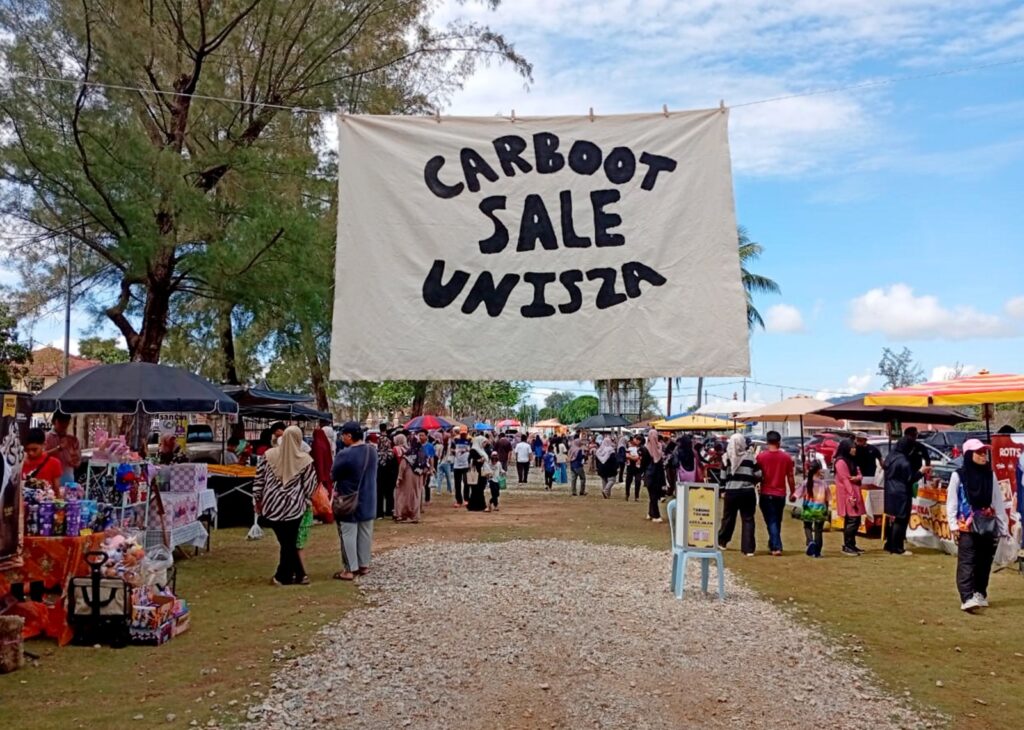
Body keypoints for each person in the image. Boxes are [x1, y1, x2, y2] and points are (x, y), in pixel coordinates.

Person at [253, 425, 318, 586]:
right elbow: (310, 487)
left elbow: (259, 480)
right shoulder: (305, 460)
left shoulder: (268, 456)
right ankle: (292, 575)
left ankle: (286, 576)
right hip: (294, 508)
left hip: (272, 506)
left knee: (286, 542)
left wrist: (257, 500)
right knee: (289, 542)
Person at [947, 440, 1007, 612]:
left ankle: (980, 592)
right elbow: (951, 502)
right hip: (966, 525)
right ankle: (966, 597)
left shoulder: (990, 475)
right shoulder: (958, 476)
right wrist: (953, 525)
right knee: (967, 561)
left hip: (987, 524)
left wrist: (1003, 528)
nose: (983, 456)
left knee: (984, 562)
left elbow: (997, 501)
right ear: (968, 455)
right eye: (978, 452)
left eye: (984, 452)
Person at [331, 422, 378, 581]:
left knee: (348, 534)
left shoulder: (345, 454)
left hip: (349, 500)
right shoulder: (372, 451)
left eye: (343, 434)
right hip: (369, 498)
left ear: (349, 436)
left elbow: (334, 475)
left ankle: (350, 569)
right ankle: (364, 565)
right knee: (365, 533)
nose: (342, 437)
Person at [882, 437, 927, 556]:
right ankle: (897, 547)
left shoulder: (890, 457)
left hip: (890, 491)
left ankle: (889, 544)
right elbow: (910, 479)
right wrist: (921, 471)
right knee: (901, 520)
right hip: (901, 493)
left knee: (894, 519)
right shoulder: (903, 461)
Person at [718, 433, 760, 554]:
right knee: (748, 519)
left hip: (731, 492)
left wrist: (722, 491)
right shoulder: (750, 457)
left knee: (728, 518)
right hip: (747, 492)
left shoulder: (726, 458)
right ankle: (748, 549)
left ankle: (722, 542)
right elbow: (758, 474)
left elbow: (722, 477)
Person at [756, 430, 796, 556]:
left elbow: (757, 475)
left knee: (771, 520)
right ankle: (774, 542)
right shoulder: (786, 458)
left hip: (766, 492)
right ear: (779, 442)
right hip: (780, 493)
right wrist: (793, 492)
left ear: (767, 442)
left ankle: (776, 546)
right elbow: (790, 476)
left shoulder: (761, 457)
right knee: (776, 520)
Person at [834, 439, 865, 556]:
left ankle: (852, 544)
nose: (854, 449)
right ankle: (847, 545)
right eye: (852, 447)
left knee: (855, 520)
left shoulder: (852, 460)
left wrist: (857, 478)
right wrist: (851, 495)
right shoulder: (840, 462)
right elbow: (845, 479)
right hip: (847, 494)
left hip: (854, 490)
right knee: (852, 520)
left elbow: (859, 474)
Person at [792, 461, 829, 557]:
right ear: (818, 470)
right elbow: (828, 498)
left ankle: (810, 541)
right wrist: (826, 510)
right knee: (818, 530)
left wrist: (793, 498)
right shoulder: (823, 483)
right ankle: (817, 551)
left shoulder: (806, 482)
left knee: (807, 526)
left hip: (808, 508)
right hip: (820, 508)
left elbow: (796, 494)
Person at [393, 434, 422, 523]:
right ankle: (414, 515)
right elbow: (425, 465)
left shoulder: (407, 453)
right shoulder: (420, 453)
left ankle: (401, 514)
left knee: (402, 494)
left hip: (407, 475)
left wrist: (399, 477)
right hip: (418, 476)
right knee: (416, 494)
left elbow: (403, 465)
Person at [44, 412, 81, 483]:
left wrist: (74, 459)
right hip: (50, 476)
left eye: (66, 422)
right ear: (54, 422)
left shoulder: (73, 439)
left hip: (68, 476)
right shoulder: (46, 437)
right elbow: (42, 455)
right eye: (61, 422)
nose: (64, 424)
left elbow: (78, 461)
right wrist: (59, 448)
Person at [375, 426, 397, 519]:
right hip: (390, 477)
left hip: (379, 477)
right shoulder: (391, 454)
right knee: (389, 494)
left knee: (379, 494)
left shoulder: (376, 454)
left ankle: (379, 513)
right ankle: (389, 510)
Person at [644, 429, 665, 522]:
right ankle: (656, 515)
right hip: (652, 475)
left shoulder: (657, 446)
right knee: (653, 495)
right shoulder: (648, 448)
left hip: (655, 475)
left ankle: (650, 513)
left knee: (654, 495)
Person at [466, 436, 489, 511]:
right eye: (484, 442)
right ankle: (481, 506)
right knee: (477, 489)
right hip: (476, 472)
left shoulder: (481, 450)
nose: (485, 444)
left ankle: (474, 506)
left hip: (482, 472)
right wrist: (479, 460)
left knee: (479, 489)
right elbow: (471, 461)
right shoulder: (473, 450)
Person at [452, 427, 472, 507]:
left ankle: (466, 499)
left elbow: (472, 451)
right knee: (457, 483)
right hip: (457, 464)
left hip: (466, 464)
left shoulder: (470, 440)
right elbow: (451, 449)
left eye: (465, 433)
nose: (463, 435)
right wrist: (455, 452)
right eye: (462, 433)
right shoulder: (455, 440)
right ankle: (458, 500)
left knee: (466, 482)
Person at [625, 435, 643, 502]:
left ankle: (637, 496)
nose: (635, 441)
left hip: (638, 467)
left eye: (637, 440)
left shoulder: (641, 448)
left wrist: (632, 457)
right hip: (630, 466)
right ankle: (627, 494)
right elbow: (627, 455)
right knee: (628, 481)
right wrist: (634, 457)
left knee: (638, 481)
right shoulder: (629, 448)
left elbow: (640, 457)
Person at [434, 431, 453, 496]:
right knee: (448, 477)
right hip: (446, 463)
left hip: (440, 463)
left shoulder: (439, 446)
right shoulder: (448, 447)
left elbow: (437, 454)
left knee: (439, 478)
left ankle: (438, 491)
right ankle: (450, 490)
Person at [420, 431, 435, 504]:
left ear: (426, 436)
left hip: (427, 467)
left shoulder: (430, 446)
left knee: (427, 484)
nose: (420, 437)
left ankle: (427, 499)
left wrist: (431, 468)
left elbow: (431, 458)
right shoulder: (417, 445)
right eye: (419, 435)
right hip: (418, 468)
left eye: (422, 435)